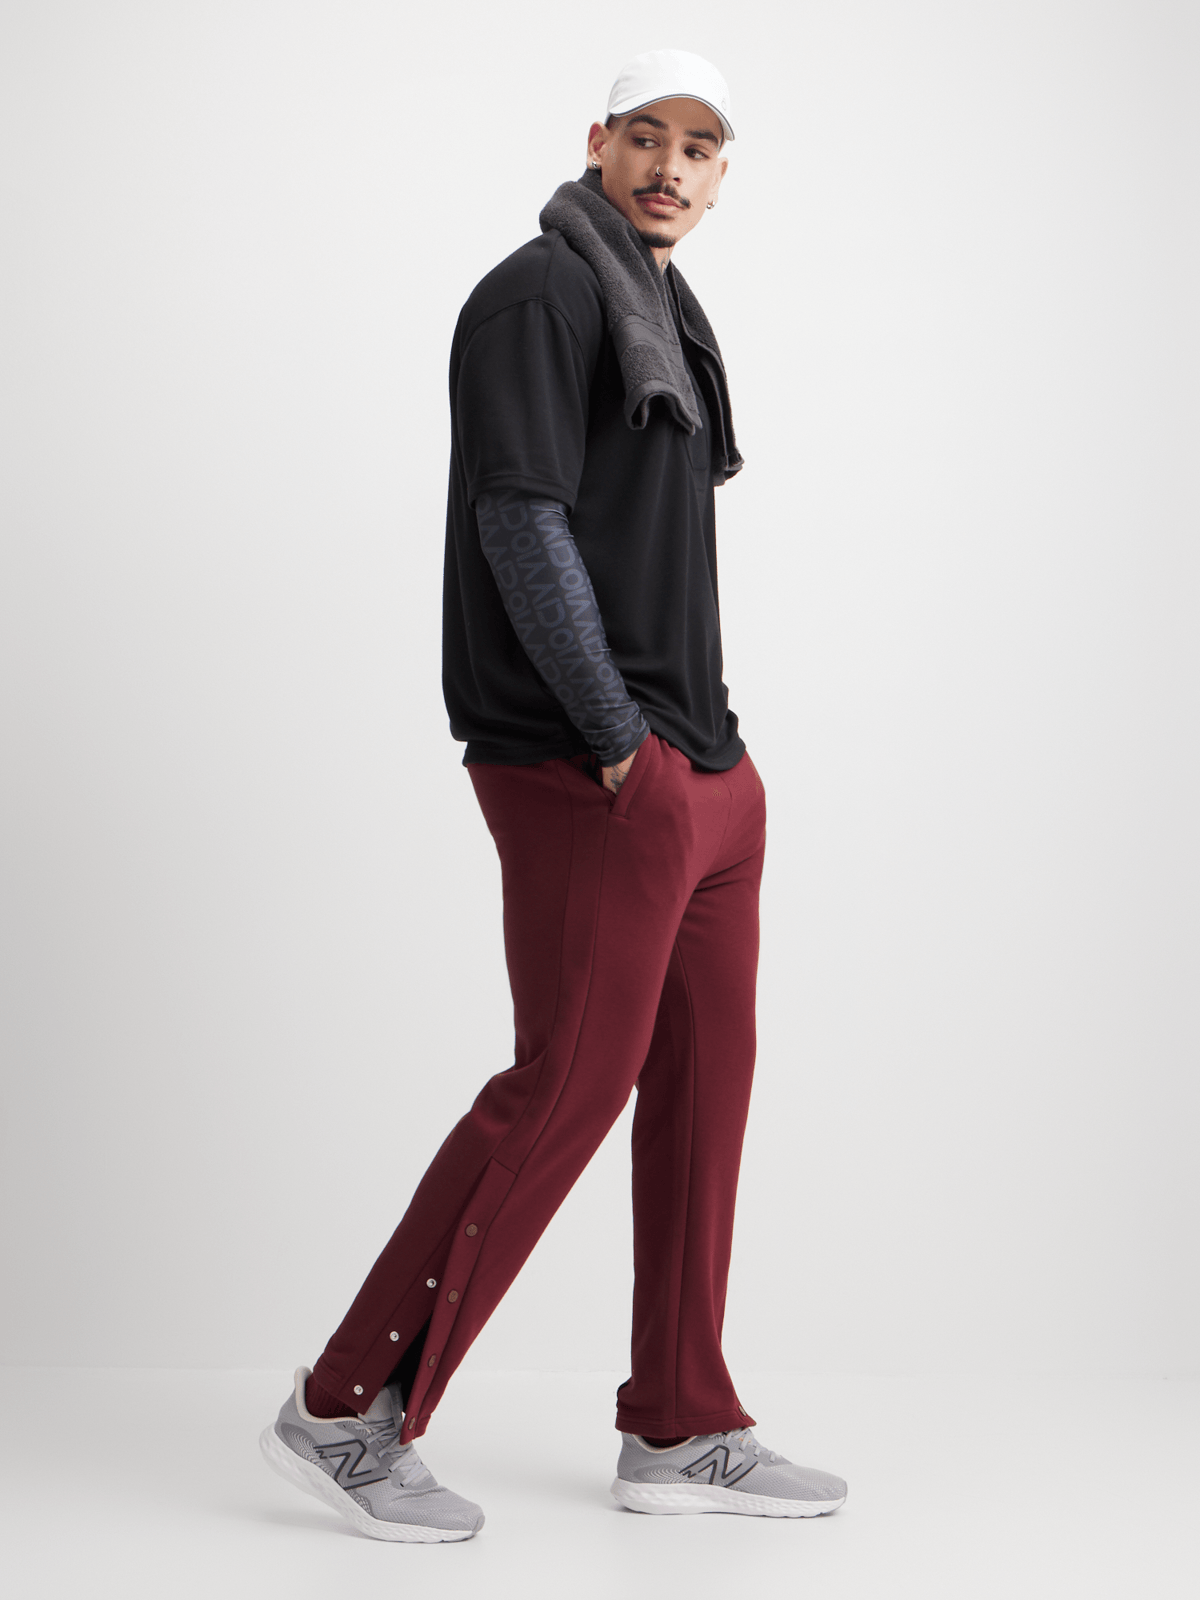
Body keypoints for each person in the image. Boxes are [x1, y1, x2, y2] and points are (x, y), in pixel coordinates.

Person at [259, 48, 847, 1542]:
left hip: (703, 766)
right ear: (598, 140)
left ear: (724, 173)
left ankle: (682, 1422)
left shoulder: (670, 311)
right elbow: (520, 520)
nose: (671, 167)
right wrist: (615, 740)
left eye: (700, 148)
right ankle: (343, 1406)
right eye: (648, 137)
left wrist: (712, 759)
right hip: (590, 765)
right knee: (566, 1087)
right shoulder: (541, 294)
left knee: (705, 1092)